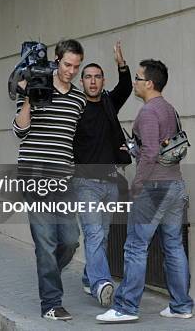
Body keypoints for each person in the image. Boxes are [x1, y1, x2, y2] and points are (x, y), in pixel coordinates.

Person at [97, 59, 193, 323]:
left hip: (153, 188)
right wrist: (133, 149)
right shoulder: (169, 109)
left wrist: (137, 186)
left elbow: (150, 153)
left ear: (149, 83)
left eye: (138, 78)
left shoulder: (149, 112)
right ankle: (181, 305)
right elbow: (160, 148)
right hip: (174, 185)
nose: (135, 83)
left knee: (136, 247)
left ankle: (126, 307)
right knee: (173, 245)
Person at [13, 39, 87, 321]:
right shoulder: (36, 87)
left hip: (63, 179)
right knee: (45, 242)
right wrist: (30, 96)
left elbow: (73, 139)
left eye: (76, 66)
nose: (71, 71)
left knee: (69, 241)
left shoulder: (78, 99)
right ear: (57, 60)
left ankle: (48, 275)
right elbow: (19, 131)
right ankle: (51, 304)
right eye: (67, 64)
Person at [72, 41, 132, 308]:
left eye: (97, 77)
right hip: (84, 182)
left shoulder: (108, 103)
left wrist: (121, 63)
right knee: (95, 234)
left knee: (102, 235)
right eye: (88, 77)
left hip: (109, 181)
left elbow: (127, 87)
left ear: (102, 80)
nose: (93, 82)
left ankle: (88, 277)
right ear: (81, 81)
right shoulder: (73, 108)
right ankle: (101, 285)